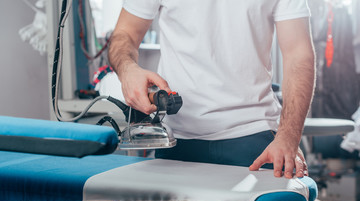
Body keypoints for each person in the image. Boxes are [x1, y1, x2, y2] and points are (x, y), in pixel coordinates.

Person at [108, 0, 316, 179]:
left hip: (254, 136)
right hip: (177, 139)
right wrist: (128, 71)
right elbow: (125, 34)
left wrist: (288, 137)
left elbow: (298, 54)